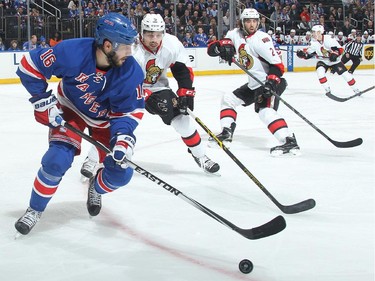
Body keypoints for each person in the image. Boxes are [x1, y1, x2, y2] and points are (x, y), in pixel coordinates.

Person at [14, 13, 145, 235]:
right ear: (107, 44)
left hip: (105, 123)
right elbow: (29, 66)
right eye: (124, 46)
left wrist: (122, 140)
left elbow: (127, 113)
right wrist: (44, 102)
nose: (129, 52)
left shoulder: (131, 72)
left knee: (120, 173)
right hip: (70, 110)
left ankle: (96, 185)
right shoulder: (72, 51)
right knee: (56, 160)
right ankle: (34, 210)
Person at [81, 13, 220, 178]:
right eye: (149, 34)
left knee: (183, 121)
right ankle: (92, 158)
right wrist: (145, 96)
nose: (154, 39)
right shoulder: (130, 48)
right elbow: (120, 77)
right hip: (128, 89)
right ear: (141, 33)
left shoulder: (171, 43)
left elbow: (182, 69)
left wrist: (185, 92)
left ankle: (200, 155)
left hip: (158, 88)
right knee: (112, 124)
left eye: (158, 34)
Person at [206, 8, 300, 156]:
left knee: (265, 112)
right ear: (242, 22)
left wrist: (271, 83)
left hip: (270, 82)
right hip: (254, 84)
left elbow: (278, 66)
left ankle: (289, 141)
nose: (252, 24)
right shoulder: (234, 34)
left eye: (255, 21)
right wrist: (220, 47)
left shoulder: (262, 39)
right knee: (228, 99)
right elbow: (212, 49)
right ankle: (226, 133)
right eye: (248, 21)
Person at [296, 25, 360, 96]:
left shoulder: (329, 39)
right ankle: (327, 90)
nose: (312, 34)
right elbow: (308, 54)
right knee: (320, 73)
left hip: (335, 62)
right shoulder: (313, 42)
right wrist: (303, 55)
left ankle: (356, 90)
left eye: (314, 32)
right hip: (323, 61)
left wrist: (335, 54)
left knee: (346, 75)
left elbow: (340, 49)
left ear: (319, 32)